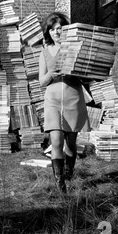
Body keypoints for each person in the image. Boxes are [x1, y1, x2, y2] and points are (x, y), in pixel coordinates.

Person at [38, 11, 90, 193]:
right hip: (52, 101)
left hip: (73, 98)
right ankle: (61, 187)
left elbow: (86, 76)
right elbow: (41, 82)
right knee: (57, 141)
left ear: (65, 30)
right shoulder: (44, 53)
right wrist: (52, 73)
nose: (56, 32)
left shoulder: (75, 49)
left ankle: (69, 173)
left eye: (59, 29)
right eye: (53, 30)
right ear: (48, 32)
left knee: (71, 143)